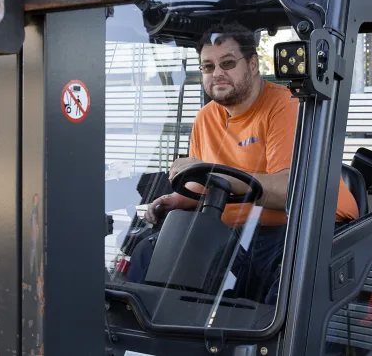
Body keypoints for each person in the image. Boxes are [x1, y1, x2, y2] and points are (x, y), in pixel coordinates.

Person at [125, 22, 359, 303]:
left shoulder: (285, 106)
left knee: (285, 290)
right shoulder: (205, 118)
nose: (217, 73)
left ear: (252, 64)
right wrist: (175, 200)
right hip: (238, 234)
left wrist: (213, 172)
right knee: (149, 253)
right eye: (208, 67)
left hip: (302, 228)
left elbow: (289, 189)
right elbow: (206, 185)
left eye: (227, 63)